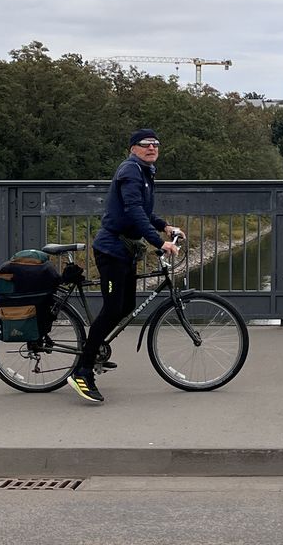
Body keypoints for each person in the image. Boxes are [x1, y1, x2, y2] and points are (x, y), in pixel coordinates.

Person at [67, 128, 185, 404]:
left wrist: (165, 226)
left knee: (126, 305)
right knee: (111, 309)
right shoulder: (130, 171)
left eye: (156, 144)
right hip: (111, 250)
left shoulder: (144, 172)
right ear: (133, 148)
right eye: (145, 144)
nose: (152, 148)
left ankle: (93, 350)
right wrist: (158, 242)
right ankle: (82, 371)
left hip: (126, 251)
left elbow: (143, 212)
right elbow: (132, 210)